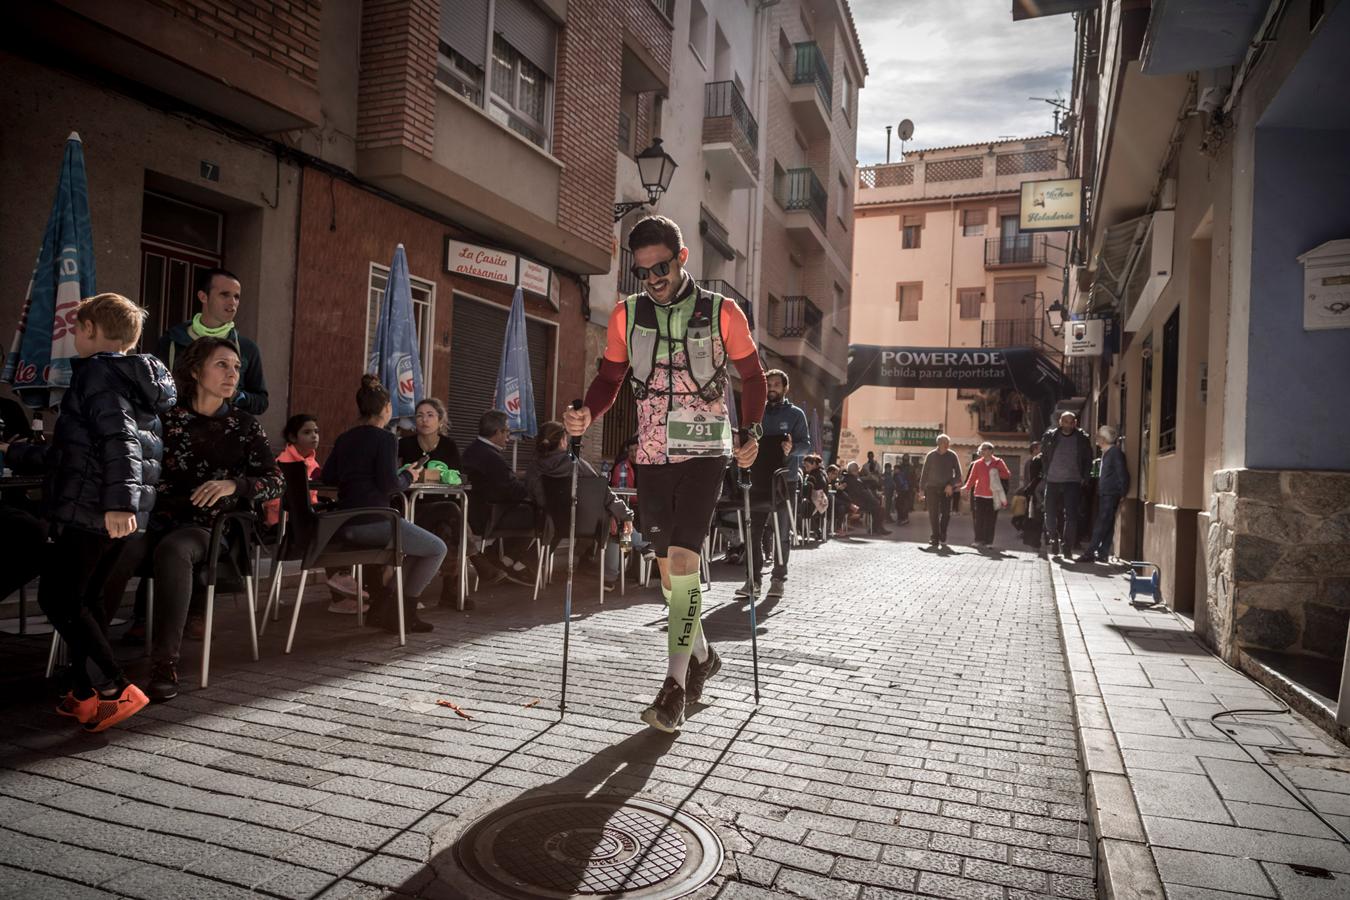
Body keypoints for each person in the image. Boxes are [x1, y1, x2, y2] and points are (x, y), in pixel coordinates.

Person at [564, 214, 764, 733]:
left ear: (682, 258)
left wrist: (753, 433)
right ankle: (702, 656)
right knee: (667, 573)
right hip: (651, 454)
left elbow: (752, 376)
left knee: (682, 559)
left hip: (705, 451)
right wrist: (589, 412)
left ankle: (674, 686)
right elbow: (610, 376)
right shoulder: (626, 315)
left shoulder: (723, 312)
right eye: (642, 272)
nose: (653, 279)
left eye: (661, 267)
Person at [15, 294, 173, 730]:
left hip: (95, 510)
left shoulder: (99, 373)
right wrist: (21, 452)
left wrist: (118, 504)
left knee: (59, 597)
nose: (71, 336)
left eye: (74, 328)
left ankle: (114, 688)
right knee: (85, 602)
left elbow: (120, 442)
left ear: (89, 329)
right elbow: (79, 449)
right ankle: (84, 693)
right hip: (111, 512)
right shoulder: (134, 378)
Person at [147, 337, 283, 701]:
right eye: (222, 364)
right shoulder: (165, 418)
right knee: (115, 543)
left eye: (237, 367)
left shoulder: (244, 425)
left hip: (209, 528)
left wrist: (233, 484)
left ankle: (164, 663)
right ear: (195, 370)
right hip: (152, 520)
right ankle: (93, 662)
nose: (233, 374)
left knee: (174, 550)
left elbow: (275, 481)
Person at [321, 375, 446, 633]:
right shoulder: (386, 439)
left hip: (344, 523)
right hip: (376, 521)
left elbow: (328, 477)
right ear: (386, 408)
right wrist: (407, 476)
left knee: (416, 549)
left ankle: (384, 609)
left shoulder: (345, 438)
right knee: (436, 549)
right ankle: (405, 613)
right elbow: (390, 485)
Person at [263, 414, 367, 614]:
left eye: (316, 432)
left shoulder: (311, 461)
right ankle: (340, 583)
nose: (314, 436)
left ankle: (342, 588)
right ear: (293, 438)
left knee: (340, 525)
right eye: (307, 432)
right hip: (284, 521)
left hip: (306, 518)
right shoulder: (284, 462)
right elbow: (274, 500)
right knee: (332, 529)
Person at [525, 421, 634, 590]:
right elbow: (602, 491)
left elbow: (535, 496)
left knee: (618, 523)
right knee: (622, 527)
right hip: (588, 524)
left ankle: (631, 552)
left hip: (552, 524)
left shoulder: (534, 466)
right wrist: (626, 514)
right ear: (563, 440)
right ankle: (614, 573)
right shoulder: (575, 462)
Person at [155, 268, 268, 415]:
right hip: (177, 430)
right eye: (224, 295)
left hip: (227, 432)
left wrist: (234, 395)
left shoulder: (247, 348)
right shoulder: (170, 342)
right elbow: (153, 393)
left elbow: (261, 403)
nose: (232, 302)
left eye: (236, 297)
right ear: (203, 296)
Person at [741, 369, 809, 599]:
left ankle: (778, 580)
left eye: (776, 384)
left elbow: (806, 446)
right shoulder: (755, 413)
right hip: (757, 481)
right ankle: (753, 581)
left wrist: (793, 449)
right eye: (768, 384)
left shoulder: (796, 414)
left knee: (781, 534)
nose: (771, 388)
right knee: (754, 532)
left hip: (785, 482)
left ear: (784, 388)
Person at [398, 398, 466, 605]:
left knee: (447, 524)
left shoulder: (449, 445)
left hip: (442, 504)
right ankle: (475, 563)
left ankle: (449, 589)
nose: (424, 420)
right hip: (411, 507)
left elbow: (458, 477)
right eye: (419, 415)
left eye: (430, 415)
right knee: (451, 514)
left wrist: (434, 475)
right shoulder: (404, 444)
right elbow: (397, 474)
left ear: (440, 420)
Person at [461, 409, 538, 586]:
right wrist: (532, 493)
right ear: (497, 432)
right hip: (489, 515)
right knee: (538, 514)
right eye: (507, 432)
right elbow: (511, 488)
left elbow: (503, 478)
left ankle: (501, 557)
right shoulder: (490, 456)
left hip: (477, 510)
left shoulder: (475, 450)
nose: (509, 437)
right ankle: (508, 560)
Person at [1039, 411, 1092, 557]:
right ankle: (1053, 538)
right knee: (1049, 512)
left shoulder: (1082, 438)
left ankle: (1067, 545)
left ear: (1075, 423)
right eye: (1066, 421)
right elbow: (1043, 456)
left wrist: (1085, 477)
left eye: (1071, 422)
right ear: (1060, 422)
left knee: (1071, 515)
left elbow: (1088, 459)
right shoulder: (1050, 436)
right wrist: (1045, 473)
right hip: (1052, 479)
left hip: (1073, 480)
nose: (1068, 424)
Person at [1079, 426, 1129, 563]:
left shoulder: (1114, 453)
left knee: (1102, 523)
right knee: (1108, 523)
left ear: (1104, 439)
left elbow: (1122, 473)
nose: (1096, 438)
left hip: (1111, 493)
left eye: (1098, 436)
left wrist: (1123, 491)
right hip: (1107, 493)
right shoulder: (1107, 452)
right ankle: (1103, 553)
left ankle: (1090, 553)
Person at [963, 442, 1012, 549]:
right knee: (979, 519)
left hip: (994, 496)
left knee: (991, 520)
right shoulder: (977, 463)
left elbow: (1007, 475)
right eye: (981, 449)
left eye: (984, 449)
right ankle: (978, 540)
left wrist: (997, 472)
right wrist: (966, 489)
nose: (982, 451)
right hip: (979, 495)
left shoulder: (998, 462)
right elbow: (972, 478)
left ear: (990, 451)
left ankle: (988, 542)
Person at [919, 434, 962, 550]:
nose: (948, 445)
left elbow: (958, 475)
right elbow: (924, 474)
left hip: (946, 489)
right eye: (945, 443)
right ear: (939, 444)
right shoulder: (931, 456)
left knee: (946, 514)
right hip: (932, 488)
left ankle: (943, 533)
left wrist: (951, 485)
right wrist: (921, 490)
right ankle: (935, 537)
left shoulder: (952, 456)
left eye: (948, 443)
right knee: (933, 514)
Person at [841, 462, 890, 535]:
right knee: (879, 508)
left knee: (876, 506)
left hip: (852, 503)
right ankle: (877, 528)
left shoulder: (845, 479)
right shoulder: (855, 480)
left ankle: (876, 528)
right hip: (857, 504)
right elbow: (863, 493)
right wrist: (873, 499)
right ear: (855, 470)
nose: (858, 471)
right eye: (858, 470)